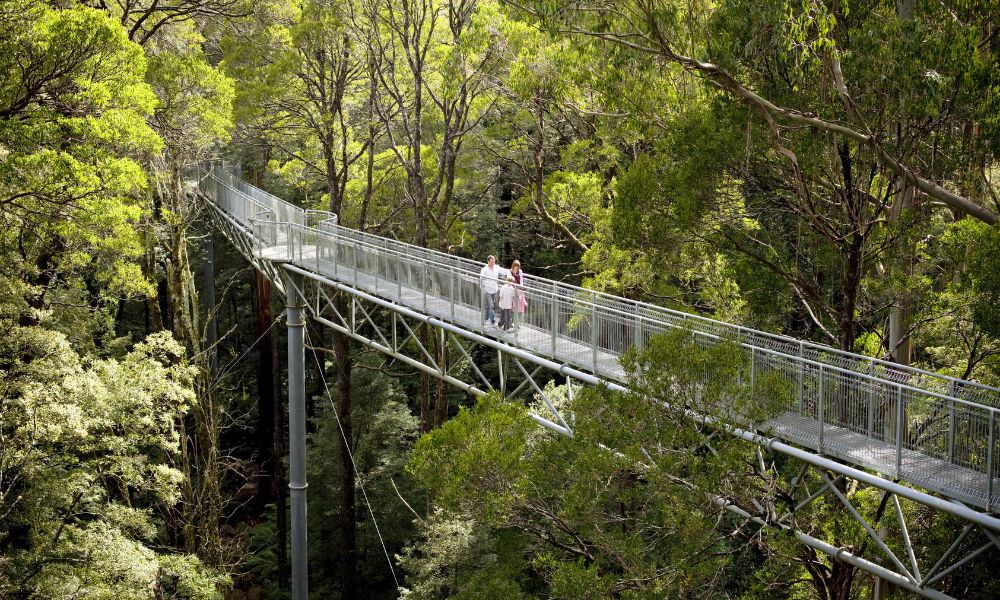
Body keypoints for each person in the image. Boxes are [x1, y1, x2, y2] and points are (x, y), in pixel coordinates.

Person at [479, 255, 508, 327]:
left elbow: (504, 271)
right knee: (491, 306)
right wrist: (482, 290)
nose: (493, 264)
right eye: (491, 262)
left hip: (495, 290)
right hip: (487, 290)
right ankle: (493, 321)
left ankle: (485, 319)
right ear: (488, 261)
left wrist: (512, 271)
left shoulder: (496, 267)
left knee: (490, 306)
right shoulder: (484, 270)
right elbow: (481, 280)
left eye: (494, 262)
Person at [510, 259, 526, 329]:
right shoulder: (510, 272)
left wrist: (521, 287)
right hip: (513, 291)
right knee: (512, 307)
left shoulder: (520, 271)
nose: (517, 267)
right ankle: (512, 322)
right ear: (513, 266)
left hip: (519, 291)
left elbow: (521, 280)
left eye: (518, 266)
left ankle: (516, 323)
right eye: (516, 266)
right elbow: (510, 281)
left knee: (518, 308)